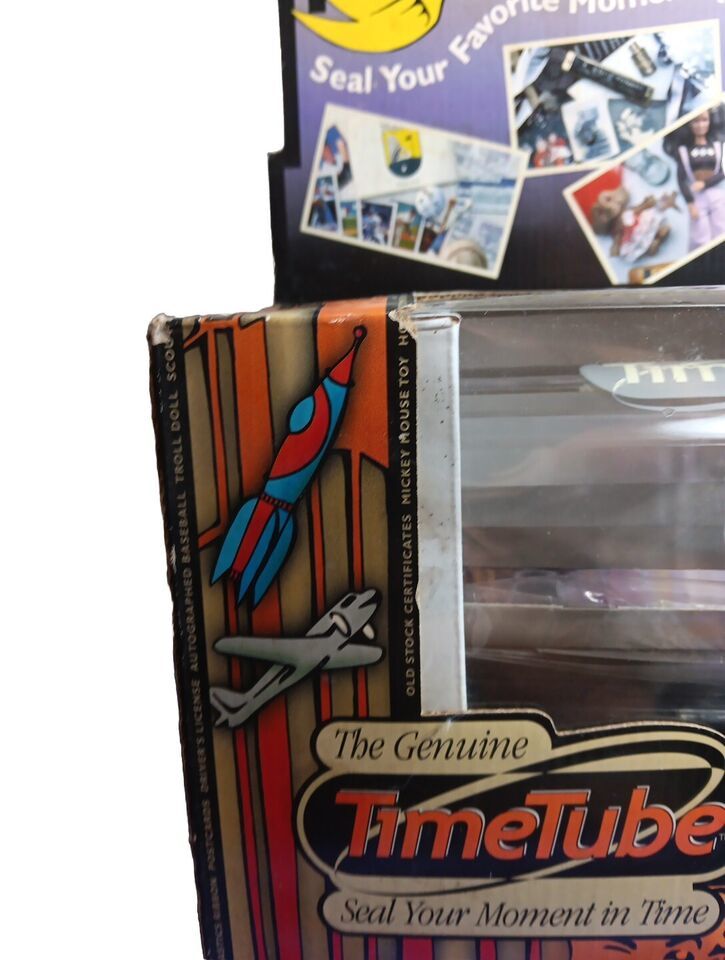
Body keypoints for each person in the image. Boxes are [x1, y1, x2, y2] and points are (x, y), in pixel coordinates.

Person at [675, 111, 725, 250]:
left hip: (716, 194)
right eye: (696, 121)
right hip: (697, 198)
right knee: (700, 238)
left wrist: (705, 183)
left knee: (721, 229)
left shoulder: (718, 146)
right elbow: (680, 179)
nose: (700, 125)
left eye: (704, 120)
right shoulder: (684, 151)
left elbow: (722, 172)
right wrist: (690, 203)